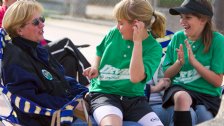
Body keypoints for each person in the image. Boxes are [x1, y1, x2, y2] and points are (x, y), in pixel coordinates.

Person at [1, 1, 88, 126]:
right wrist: (70, 104)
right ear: (19, 30)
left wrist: (85, 93)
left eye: (42, 19)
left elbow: (62, 79)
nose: (42, 24)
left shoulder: (37, 49)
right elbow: (27, 99)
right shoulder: (15, 57)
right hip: (49, 119)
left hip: (63, 111)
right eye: (36, 22)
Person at [83, 0, 166, 125]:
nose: (117, 27)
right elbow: (99, 51)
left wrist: (137, 43)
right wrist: (95, 66)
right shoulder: (114, 33)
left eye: (121, 23)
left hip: (135, 100)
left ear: (136, 24)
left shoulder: (154, 48)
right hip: (105, 94)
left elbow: (135, 77)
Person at [162, 0, 224, 126]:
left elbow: (217, 81)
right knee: (181, 98)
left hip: (207, 94)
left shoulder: (218, 41)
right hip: (181, 88)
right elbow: (167, 74)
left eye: (188, 17)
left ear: (203, 19)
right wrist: (179, 63)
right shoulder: (177, 37)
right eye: (181, 17)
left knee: (203, 114)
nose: (182, 21)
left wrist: (195, 63)